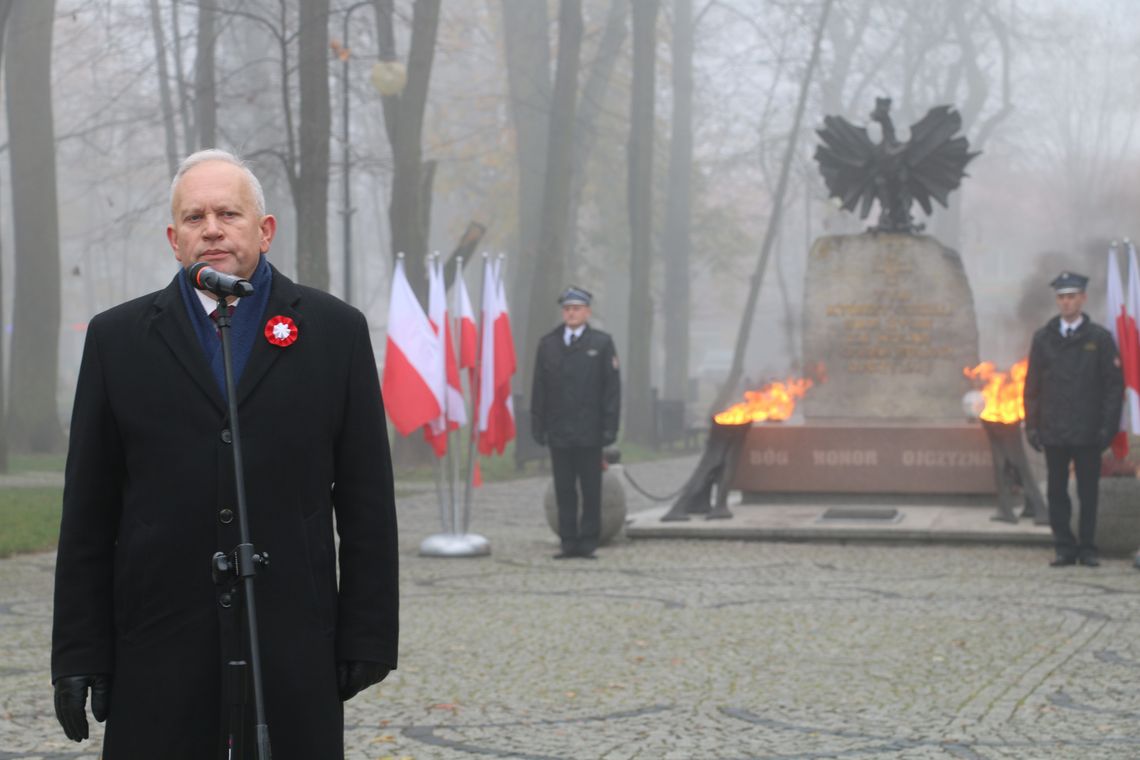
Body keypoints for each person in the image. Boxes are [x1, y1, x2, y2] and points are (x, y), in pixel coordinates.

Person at [51, 149, 399, 758]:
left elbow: (366, 498)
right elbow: (88, 512)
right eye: (194, 217)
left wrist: (366, 633)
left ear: (263, 231)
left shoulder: (334, 332)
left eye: (228, 214)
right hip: (159, 640)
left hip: (290, 635)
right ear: (173, 238)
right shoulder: (117, 340)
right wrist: (80, 650)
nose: (211, 229)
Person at [1023, 270, 1123, 568]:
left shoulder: (1100, 339)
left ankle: (1088, 547)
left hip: (1088, 431)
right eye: (1062, 298)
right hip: (1054, 429)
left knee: (1088, 492)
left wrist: (1107, 427)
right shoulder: (1044, 338)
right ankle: (1064, 546)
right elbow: (1032, 387)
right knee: (1056, 492)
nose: (1066, 303)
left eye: (1071, 297)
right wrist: (1031, 425)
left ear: (1083, 299)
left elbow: (1113, 387)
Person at [531, 286, 621, 559]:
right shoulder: (549, 344)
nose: (571, 313)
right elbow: (539, 388)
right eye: (567, 309)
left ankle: (588, 541)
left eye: (577, 309)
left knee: (591, 488)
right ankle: (568, 541)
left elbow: (611, 390)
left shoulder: (601, 343)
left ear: (587, 312)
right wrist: (538, 425)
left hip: (589, 430)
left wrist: (609, 427)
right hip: (559, 429)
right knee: (564, 488)